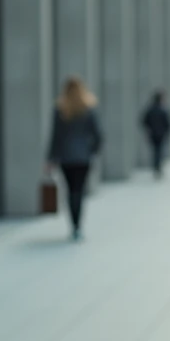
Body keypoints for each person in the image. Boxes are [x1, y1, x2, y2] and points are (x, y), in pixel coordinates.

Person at [46, 76, 102, 241]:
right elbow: (98, 135)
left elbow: (55, 137)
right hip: (83, 157)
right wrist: (91, 151)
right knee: (79, 190)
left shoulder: (61, 110)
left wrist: (51, 158)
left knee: (71, 191)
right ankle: (78, 226)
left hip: (66, 157)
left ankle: (74, 225)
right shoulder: (88, 109)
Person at [142, 90, 170, 177]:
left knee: (155, 151)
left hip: (153, 134)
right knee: (160, 150)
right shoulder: (163, 110)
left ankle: (156, 166)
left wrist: (149, 129)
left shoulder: (150, 109)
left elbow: (144, 121)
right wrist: (167, 131)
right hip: (161, 134)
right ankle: (158, 167)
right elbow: (168, 123)